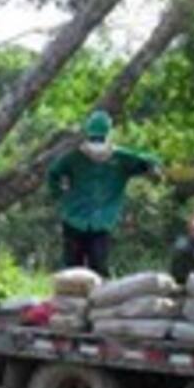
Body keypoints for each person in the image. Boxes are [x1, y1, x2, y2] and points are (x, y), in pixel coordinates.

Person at [46, 110, 161, 276]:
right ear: (108, 132)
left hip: (80, 218)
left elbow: (53, 173)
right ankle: (92, 299)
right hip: (93, 221)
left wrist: (60, 195)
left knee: (77, 270)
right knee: (93, 270)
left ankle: (81, 299)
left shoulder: (77, 157)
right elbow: (149, 162)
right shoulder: (117, 157)